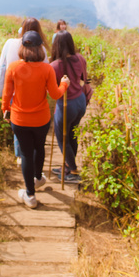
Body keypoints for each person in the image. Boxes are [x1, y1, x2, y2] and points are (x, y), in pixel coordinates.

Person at [2, 30, 69, 208]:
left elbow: (6, 94)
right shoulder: (47, 69)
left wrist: (5, 109)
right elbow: (55, 94)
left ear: (23, 47)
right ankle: (38, 178)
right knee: (40, 148)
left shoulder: (13, 68)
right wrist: (64, 84)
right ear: (41, 48)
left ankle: (30, 195)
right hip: (41, 119)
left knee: (25, 154)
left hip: (19, 120)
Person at [0, 18, 50, 162]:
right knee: (33, 123)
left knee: (18, 122)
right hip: (35, 92)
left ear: (22, 28)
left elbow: (2, 66)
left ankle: (21, 155)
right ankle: (30, 155)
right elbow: (46, 71)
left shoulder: (10, 43)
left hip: (14, 90)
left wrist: (4, 102)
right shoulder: (41, 48)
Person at [50, 30, 92, 182]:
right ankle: (68, 166)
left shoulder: (54, 65)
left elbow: (53, 89)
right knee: (72, 134)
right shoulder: (80, 58)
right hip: (80, 101)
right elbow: (85, 78)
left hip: (66, 104)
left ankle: (73, 170)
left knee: (63, 138)